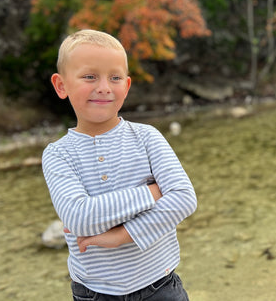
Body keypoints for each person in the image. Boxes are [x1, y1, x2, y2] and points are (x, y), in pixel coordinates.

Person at [42, 29, 197, 300]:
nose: (104, 86)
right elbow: (79, 218)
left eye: (114, 78)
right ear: (61, 85)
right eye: (90, 77)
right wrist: (152, 193)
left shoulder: (147, 137)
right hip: (95, 293)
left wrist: (123, 234)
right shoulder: (58, 154)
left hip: (160, 286)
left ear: (126, 85)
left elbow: (184, 199)